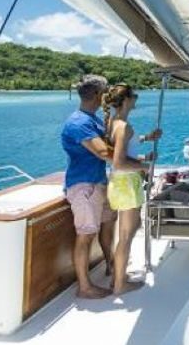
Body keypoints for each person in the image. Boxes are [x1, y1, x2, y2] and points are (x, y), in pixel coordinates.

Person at [102, 83, 161, 295]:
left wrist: (146, 139)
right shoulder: (124, 126)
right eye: (134, 95)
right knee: (127, 235)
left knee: (128, 231)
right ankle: (119, 284)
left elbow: (124, 148)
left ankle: (119, 276)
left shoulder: (114, 123)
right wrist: (146, 166)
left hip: (119, 183)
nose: (136, 98)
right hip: (126, 183)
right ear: (127, 100)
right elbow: (119, 162)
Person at [61, 75, 116, 299]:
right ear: (97, 95)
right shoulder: (78, 123)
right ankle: (85, 288)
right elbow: (103, 152)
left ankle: (111, 264)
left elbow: (109, 142)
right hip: (85, 186)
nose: (109, 96)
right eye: (106, 92)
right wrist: (133, 162)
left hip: (98, 183)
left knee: (108, 224)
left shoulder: (93, 119)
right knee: (85, 236)